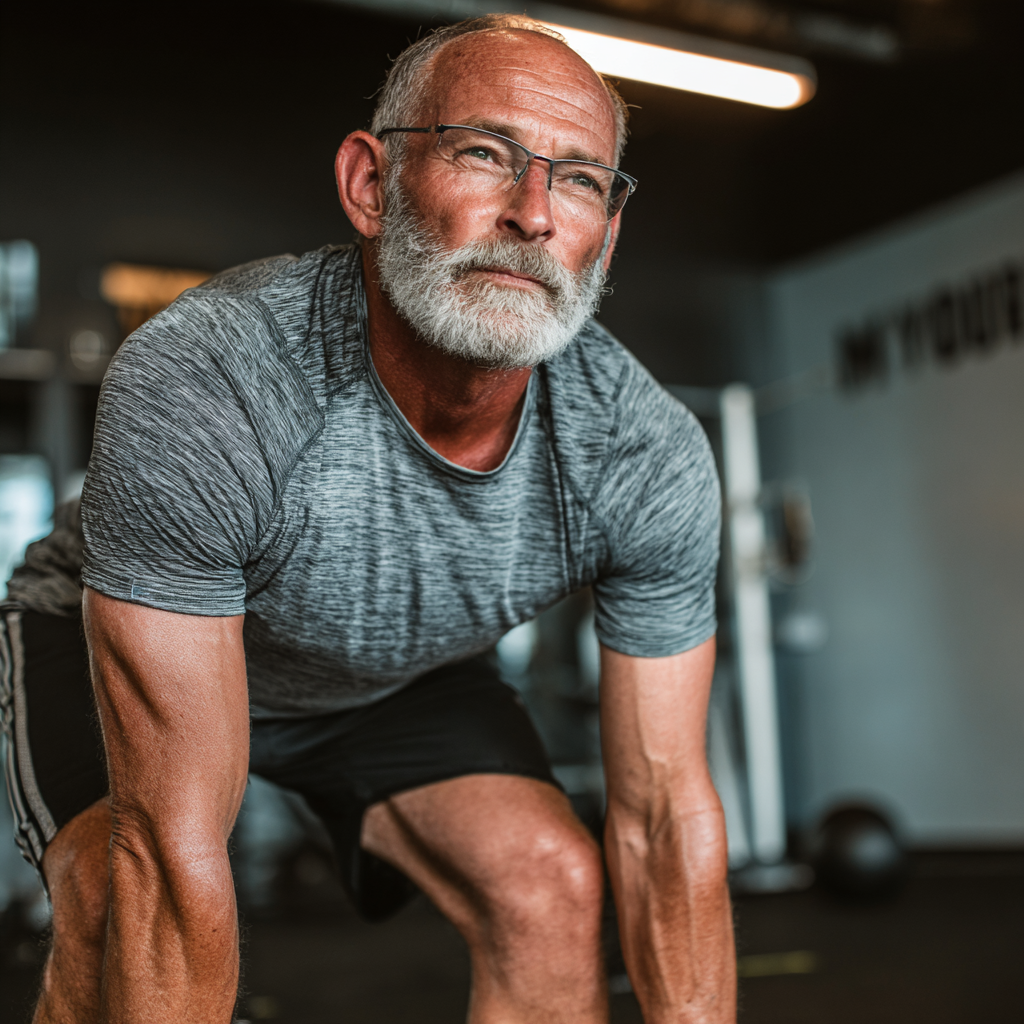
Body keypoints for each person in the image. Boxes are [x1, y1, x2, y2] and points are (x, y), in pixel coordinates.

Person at [0, 15, 734, 1024]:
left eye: (578, 178)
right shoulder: (214, 378)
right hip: (114, 636)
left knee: (550, 881)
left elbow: (663, 816)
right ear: (369, 185)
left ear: (606, 230)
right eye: (486, 152)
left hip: (393, 677)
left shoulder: (642, 453)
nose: (533, 212)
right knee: (112, 899)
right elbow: (171, 857)